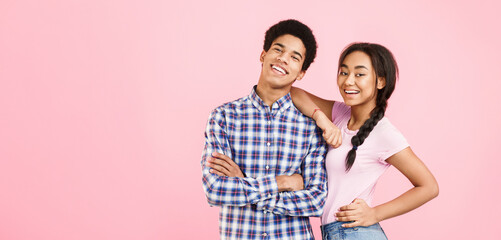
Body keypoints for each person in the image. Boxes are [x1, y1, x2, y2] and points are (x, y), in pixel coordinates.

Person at [289, 42, 439, 239]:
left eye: (359, 74)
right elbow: (292, 92)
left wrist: (375, 213)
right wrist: (321, 118)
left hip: (354, 233)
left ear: (381, 81)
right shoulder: (341, 114)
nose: (348, 81)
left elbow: (429, 187)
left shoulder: (384, 133)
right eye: (344, 73)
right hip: (335, 233)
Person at [201, 19, 328, 240]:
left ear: (301, 74)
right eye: (278, 49)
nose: (283, 58)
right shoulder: (223, 117)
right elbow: (215, 189)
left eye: (294, 57)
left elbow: (316, 201)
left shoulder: (311, 127)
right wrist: (285, 183)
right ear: (263, 55)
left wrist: (243, 182)